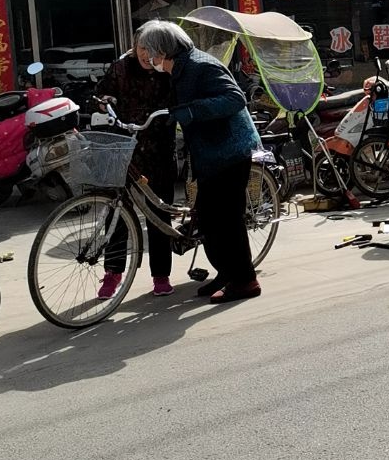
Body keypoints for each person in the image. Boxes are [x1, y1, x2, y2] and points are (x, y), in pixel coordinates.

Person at [135, 20, 263, 304]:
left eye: (148, 50)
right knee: (207, 219)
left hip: (229, 150)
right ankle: (226, 273)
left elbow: (235, 99)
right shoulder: (177, 69)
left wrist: (191, 111)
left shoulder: (200, 66)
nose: (145, 56)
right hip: (209, 153)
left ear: (162, 50)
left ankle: (245, 280)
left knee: (227, 220)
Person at [95, 36, 176, 299]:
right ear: (134, 46)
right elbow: (100, 93)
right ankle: (113, 272)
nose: (146, 54)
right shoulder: (120, 68)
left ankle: (161, 275)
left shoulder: (169, 69)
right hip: (125, 145)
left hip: (158, 146)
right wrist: (104, 100)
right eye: (142, 47)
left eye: (153, 49)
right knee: (117, 211)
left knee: (159, 211)